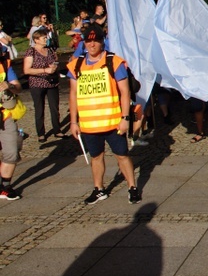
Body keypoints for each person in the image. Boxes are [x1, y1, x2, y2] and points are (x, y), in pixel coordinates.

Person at [67, 25, 142, 205]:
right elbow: (73, 94)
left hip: (113, 122)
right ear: (84, 42)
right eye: (88, 41)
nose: (92, 44)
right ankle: (99, 189)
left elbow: (124, 92)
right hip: (89, 124)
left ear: (102, 41)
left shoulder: (114, 62)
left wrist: (125, 119)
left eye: (96, 40)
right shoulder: (76, 65)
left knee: (122, 155)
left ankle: (132, 187)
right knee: (96, 157)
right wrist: (73, 122)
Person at [24, 29, 64, 142]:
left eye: (46, 37)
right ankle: (41, 133)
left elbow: (56, 61)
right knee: (39, 108)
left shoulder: (50, 50)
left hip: (51, 83)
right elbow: (27, 70)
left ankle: (57, 130)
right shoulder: (31, 52)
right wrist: (45, 70)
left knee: (54, 108)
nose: (46, 39)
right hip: (37, 83)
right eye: (43, 38)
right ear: (36, 40)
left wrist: (54, 66)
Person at [0, 49, 23, 200]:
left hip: (5, 115)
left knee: (12, 151)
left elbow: (18, 88)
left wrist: (9, 86)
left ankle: (5, 186)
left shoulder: (4, 64)